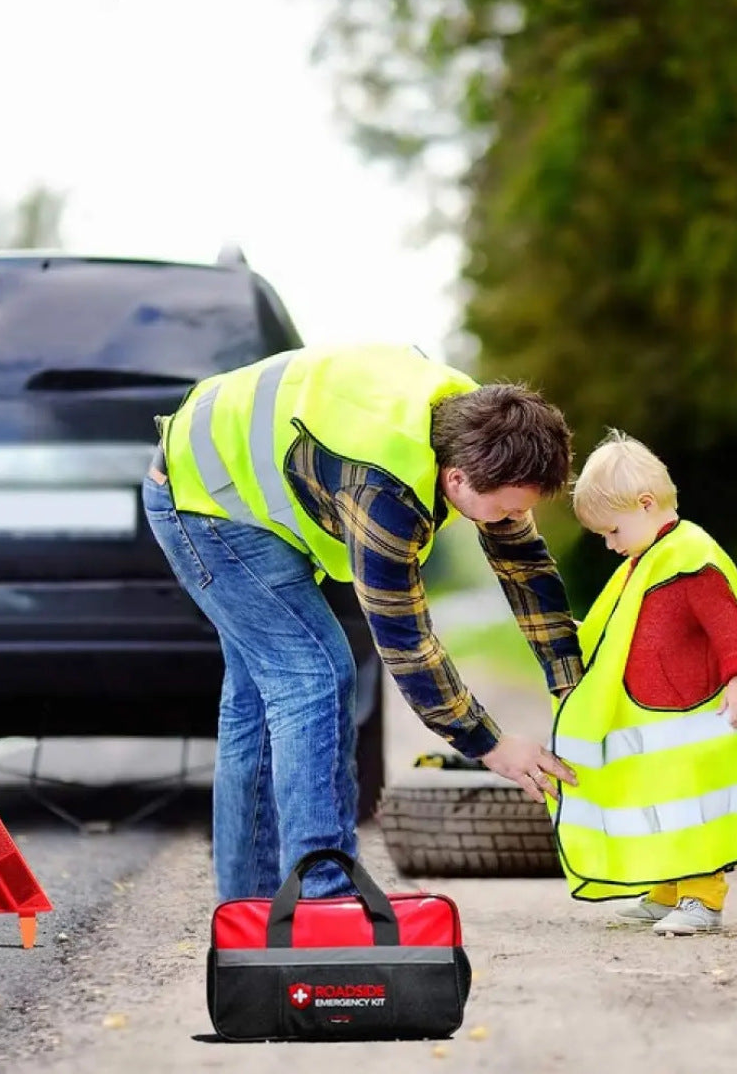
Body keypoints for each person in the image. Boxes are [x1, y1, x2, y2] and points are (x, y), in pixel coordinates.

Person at [142, 343, 582, 900]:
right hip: (203, 499)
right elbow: (405, 642)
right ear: (458, 481)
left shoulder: (485, 430)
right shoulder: (385, 489)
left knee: (257, 699)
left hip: (230, 483)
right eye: (506, 509)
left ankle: (248, 908)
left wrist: (571, 687)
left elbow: (525, 566)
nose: (514, 521)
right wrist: (489, 744)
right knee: (314, 674)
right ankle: (322, 892)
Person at [550, 429, 737, 935]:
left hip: (695, 719)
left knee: (694, 810)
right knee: (663, 806)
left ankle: (703, 900)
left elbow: (729, 623)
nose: (610, 546)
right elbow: (612, 626)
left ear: (644, 504)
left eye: (613, 532)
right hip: (658, 719)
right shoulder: (645, 560)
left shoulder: (690, 558)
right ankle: (664, 892)